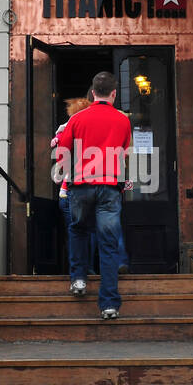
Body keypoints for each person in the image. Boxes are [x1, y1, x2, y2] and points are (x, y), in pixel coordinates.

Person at [55, 71, 132, 319]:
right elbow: (125, 153)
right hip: (109, 186)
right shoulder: (122, 121)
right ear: (114, 93)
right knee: (108, 244)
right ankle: (109, 304)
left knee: (78, 230)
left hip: (81, 184)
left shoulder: (78, 119)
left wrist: (71, 171)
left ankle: (78, 279)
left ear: (92, 93)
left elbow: (62, 152)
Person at [51, 96, 96, 276]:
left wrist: (58, 175)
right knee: (89, 232)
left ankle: (78, 271)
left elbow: (59, 169)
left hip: (69, 191)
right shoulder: (92, 134)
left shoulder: (65, 132)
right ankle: (88, 268)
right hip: (90, 189)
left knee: (75, 233)